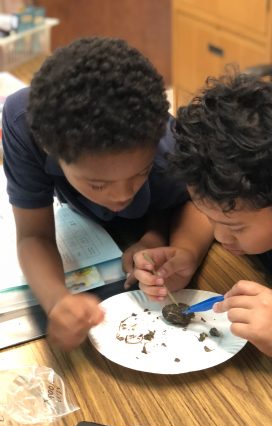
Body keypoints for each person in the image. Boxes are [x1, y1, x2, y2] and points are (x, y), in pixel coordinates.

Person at [134, 72, 272, 394]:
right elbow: (213, 207)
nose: (222, 238)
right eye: (213, 220)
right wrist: (186, 251)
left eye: (235, 228)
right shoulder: (260, 167)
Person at [2, 37, 213, 351]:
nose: (122, 194)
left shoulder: (168, 149)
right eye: (98, 184)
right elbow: (34, 234)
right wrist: (56, 300)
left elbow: (201, 203)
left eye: (140, 172)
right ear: (49, 150)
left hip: (147, 224)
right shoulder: (24, 123)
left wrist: (183, 249)